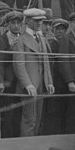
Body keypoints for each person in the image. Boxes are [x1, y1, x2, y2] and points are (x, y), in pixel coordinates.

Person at [12, 8, 54, 136]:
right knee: (29, 120)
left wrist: (49, 82)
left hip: (41, 83)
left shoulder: (41, 38)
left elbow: (46, 62)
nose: (40, 23)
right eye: (36, 21)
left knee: (38, 119)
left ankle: (33, 147)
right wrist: (27, 84)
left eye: (41, 20)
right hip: (30, 85)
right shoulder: (20, 40)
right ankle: (26, 149)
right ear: (28, 21)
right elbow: (19, 65)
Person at [0, 11, 24, 138]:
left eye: (18, 23)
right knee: (7, 112)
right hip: (8, 80)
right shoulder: (2, 38)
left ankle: (17, 137)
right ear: (8, 24)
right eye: (13, 23)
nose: (15, 26)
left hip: (21, 79)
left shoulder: (23, 38)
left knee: (18, 110)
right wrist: (10, 49)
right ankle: (7, 138)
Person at [42, 18, 69, 135]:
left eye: (62, 29)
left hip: (65, 82)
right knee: (53, 110)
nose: (60, 31)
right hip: (54, 81)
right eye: (57, 29)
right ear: (52, 30)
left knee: (64, 109)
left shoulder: (68, 44)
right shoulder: (51, 45)